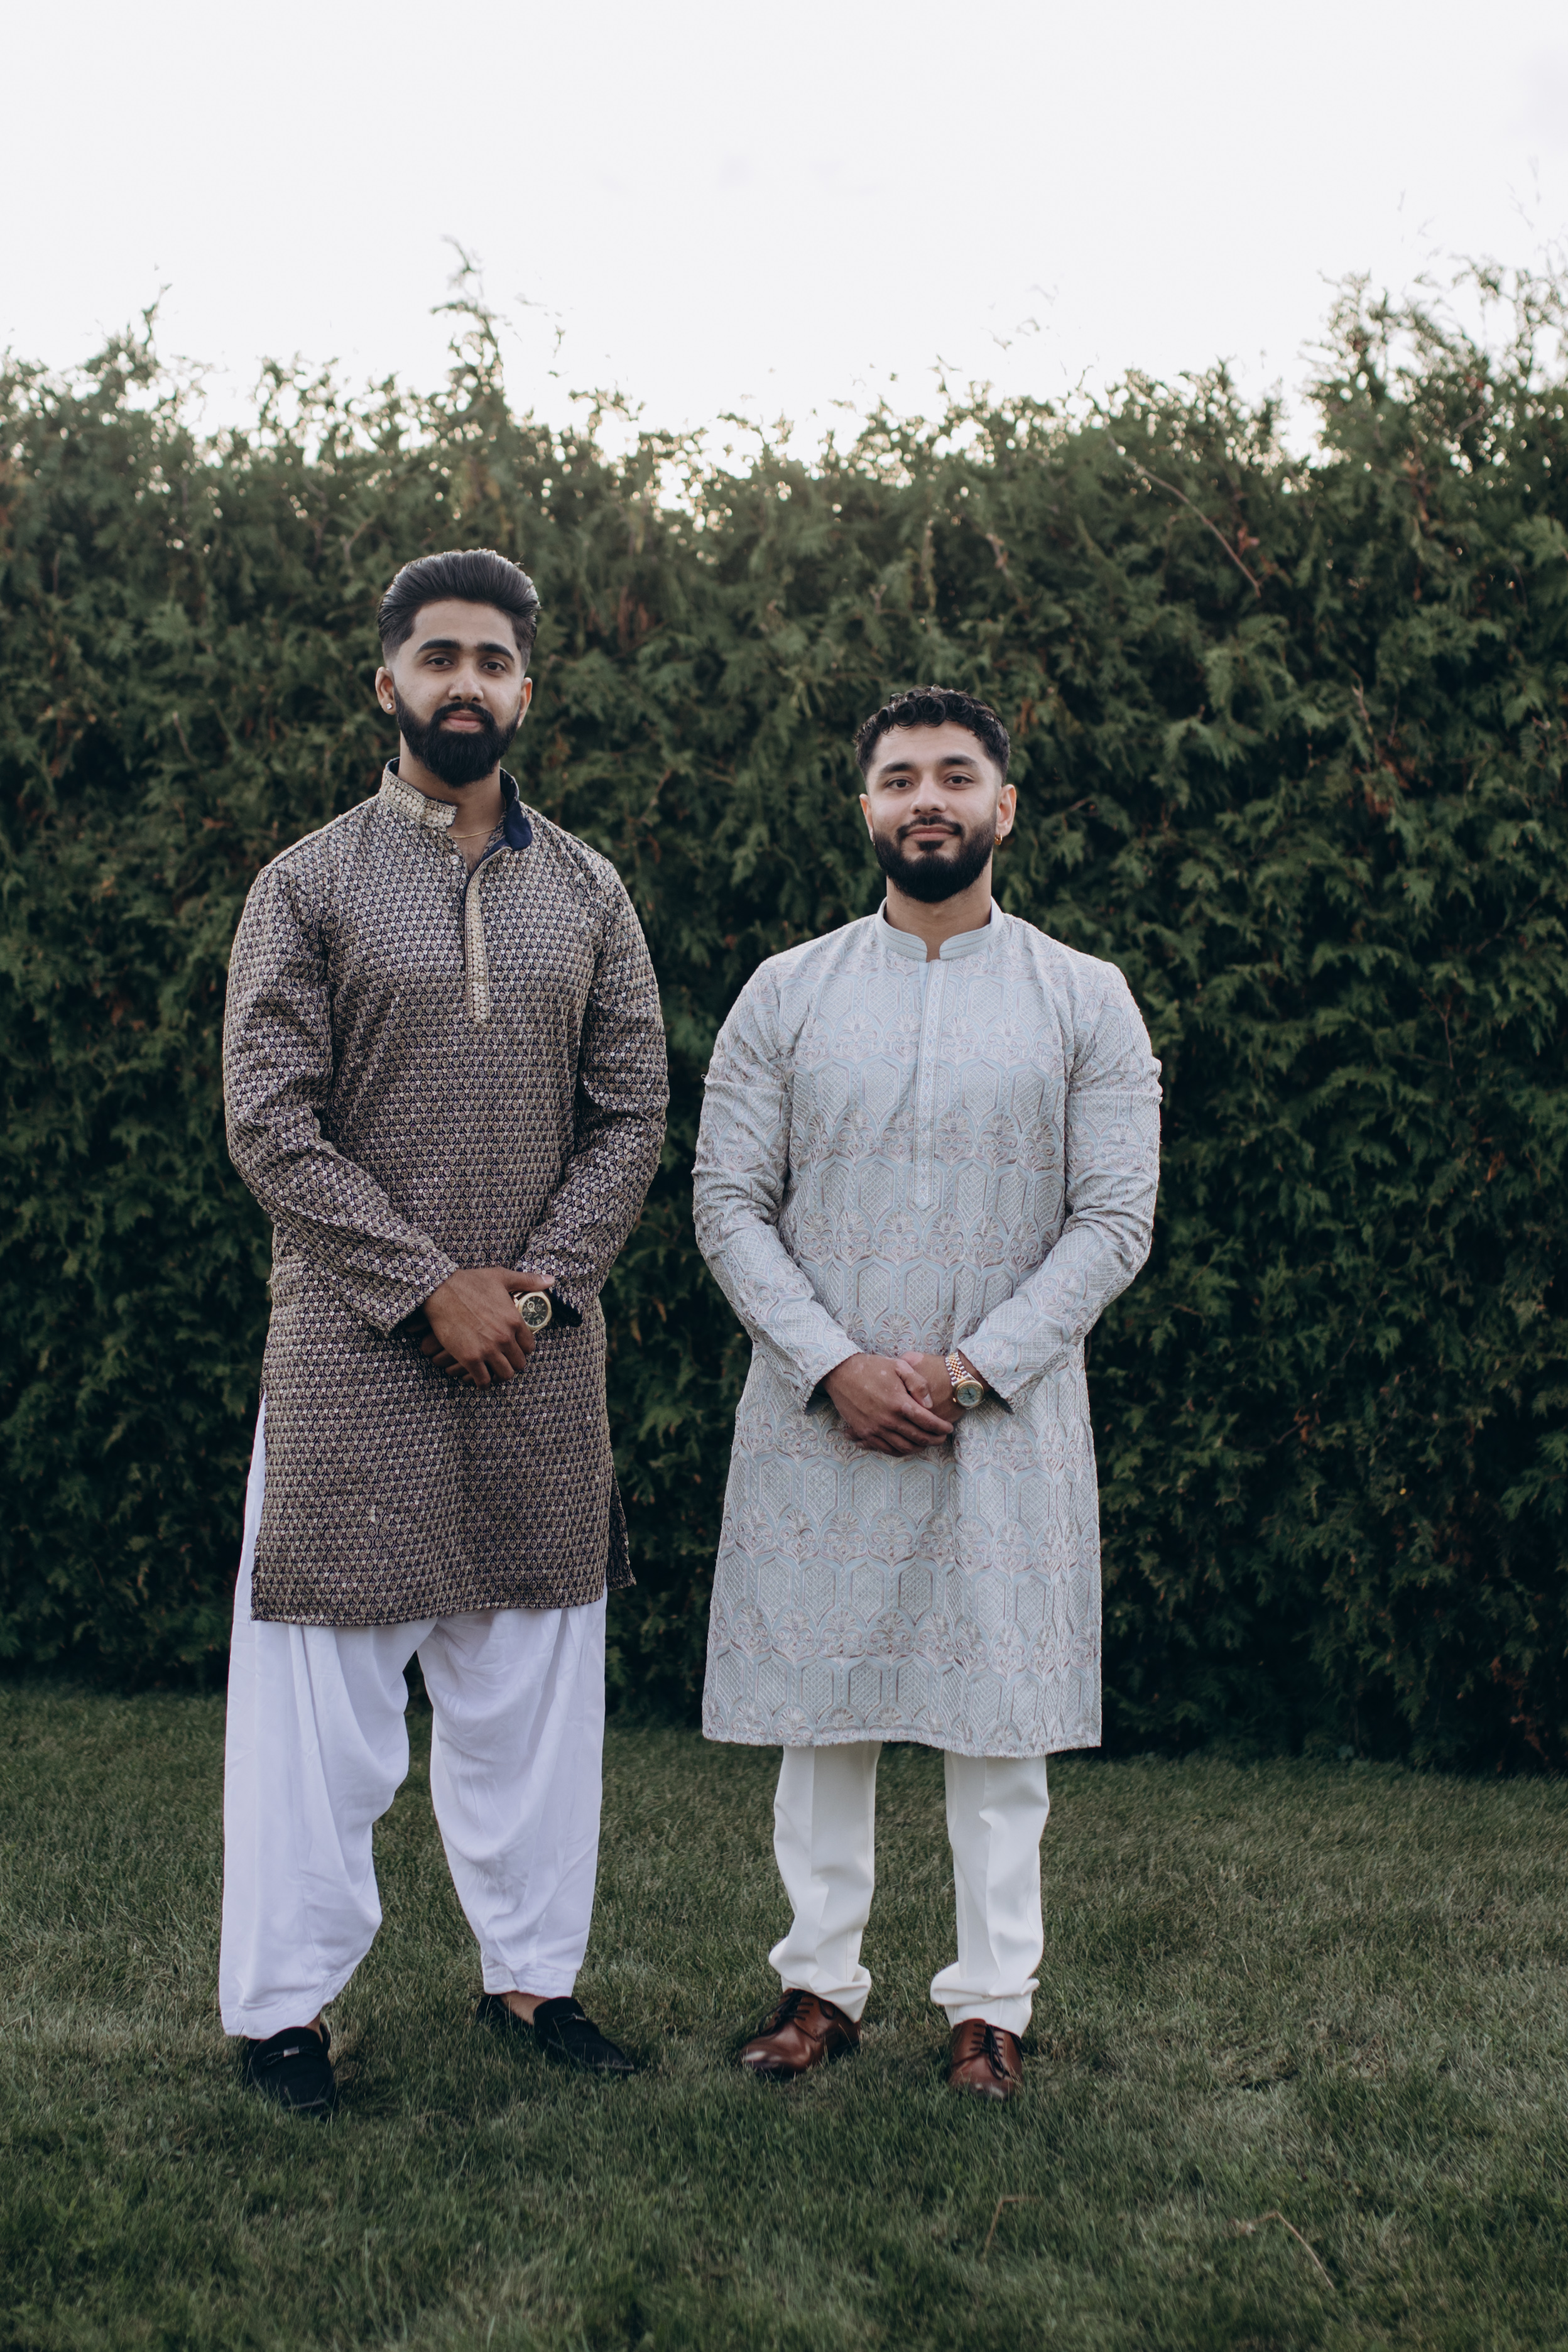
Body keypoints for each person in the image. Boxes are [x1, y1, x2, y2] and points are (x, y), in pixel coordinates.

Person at [219, 547, 667, 2113]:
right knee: (319, 1713)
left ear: (525, 692)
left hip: (538, 1356)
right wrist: (428, 1287)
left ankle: (534, 1986)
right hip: (352, 1362)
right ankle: (283, 2014)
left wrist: (530, 1290)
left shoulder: (590, 891)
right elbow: (270, 1123)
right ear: (388, 683)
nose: (464, 681)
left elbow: (633, 1113)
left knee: (533, 1693)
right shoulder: (307, 884)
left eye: (490, 660)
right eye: (438, 656)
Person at [693, 685, 1161, 2100]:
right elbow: (726, 1201)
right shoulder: (787, 991)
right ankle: (819, 1988)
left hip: (1003, 1421)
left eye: (956, 776)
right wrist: (834, 1365)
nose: (928, 799)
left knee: (998, 1730)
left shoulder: (1084, 996)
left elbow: (1115, 1219)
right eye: (900, 778)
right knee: (822, 1718)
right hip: (819, 1410)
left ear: (1003, 808)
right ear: (867, 810)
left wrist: (971, 1369)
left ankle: (991, 2008)